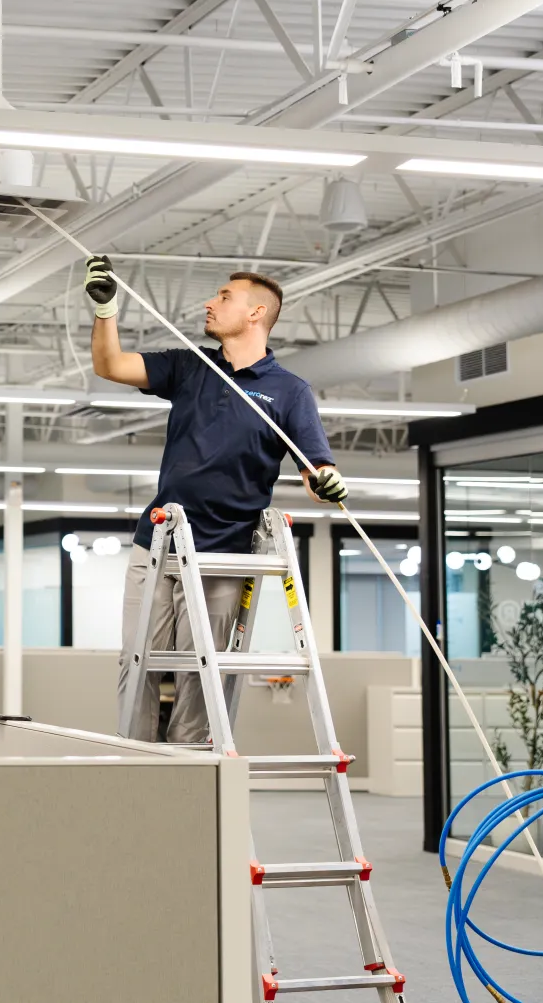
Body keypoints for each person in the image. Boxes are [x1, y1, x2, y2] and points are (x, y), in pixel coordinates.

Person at [82, 256, 348, 744]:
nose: (210, 302)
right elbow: (111, 365)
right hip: (157, 544)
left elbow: (317, 471)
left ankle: (191, 768)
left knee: (200, 672)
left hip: (224, 554)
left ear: (256, 313)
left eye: (224, 297)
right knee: (136, 662)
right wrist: (105, 311)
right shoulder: (191, 365)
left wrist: (330, 482)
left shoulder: (289, 392)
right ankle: (134, 762)